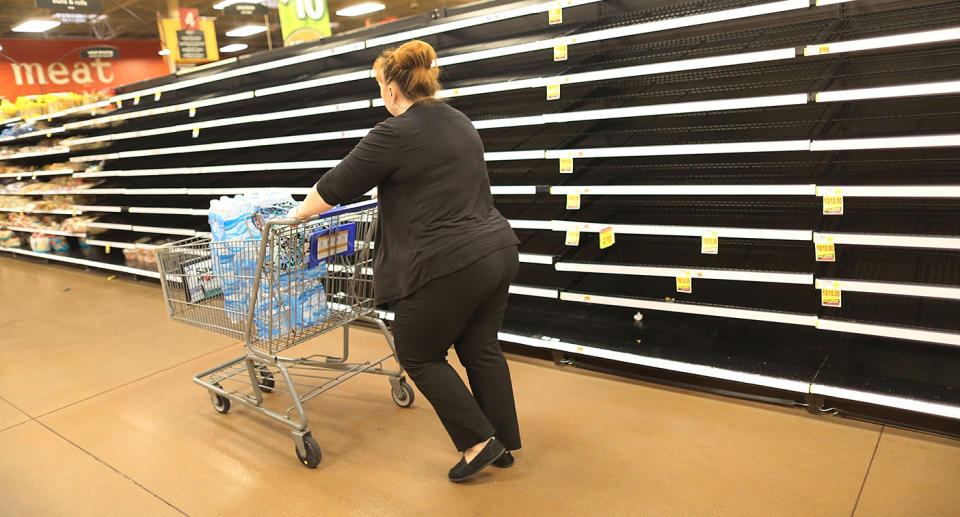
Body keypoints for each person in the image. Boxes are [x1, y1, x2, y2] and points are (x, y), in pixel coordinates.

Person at [289, 39, 522, 483]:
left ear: (392, 90)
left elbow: (337, 184)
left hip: (448, 263)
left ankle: (477, 442)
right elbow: (436, 182)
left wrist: (296, 215)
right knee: (480, 348)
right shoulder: (458, 120)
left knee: (419, 354)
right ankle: (503, 443)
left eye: (380, 88)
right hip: (496, 250)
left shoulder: (394, 132)